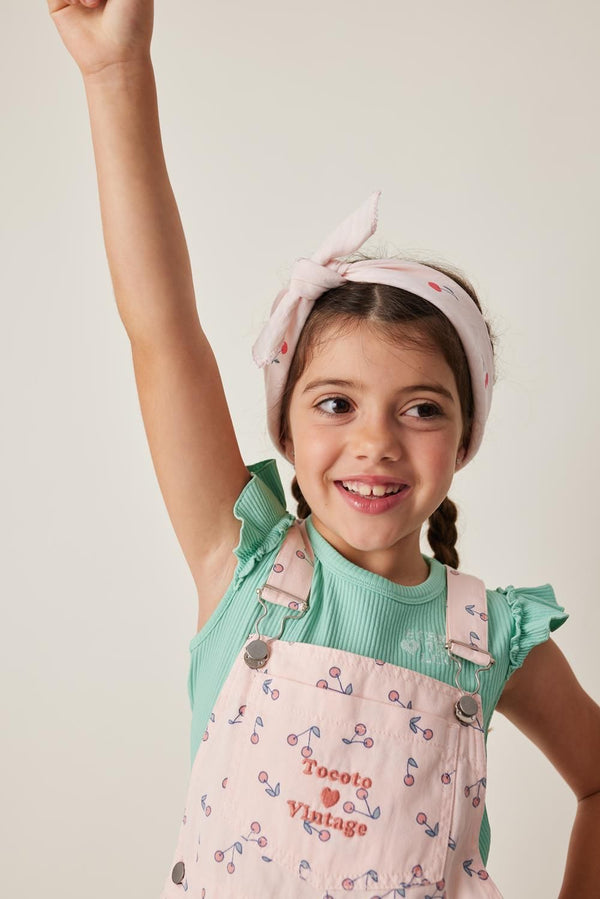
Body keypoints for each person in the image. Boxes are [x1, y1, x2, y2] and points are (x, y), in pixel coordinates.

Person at [47, 2, 600, 897]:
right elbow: (162, 330)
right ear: (286, 428)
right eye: (336, 403)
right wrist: (115, 77)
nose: (375, 441)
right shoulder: (243, 564)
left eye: (421, 408)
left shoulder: (495, 640)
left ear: (465, 438)